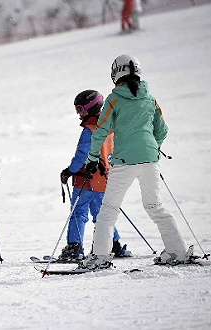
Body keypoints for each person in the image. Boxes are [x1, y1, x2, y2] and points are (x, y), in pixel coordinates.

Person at [79, 55, 194, 270]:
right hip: (150, 159)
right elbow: (163, 130)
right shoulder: (150, 98)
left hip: (124, 161)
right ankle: (177, 251)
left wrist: (92, 159)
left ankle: (100, 257)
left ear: (116, 73)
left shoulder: (114, 99)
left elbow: (101, 130)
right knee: (155, 206)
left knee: (109, 209)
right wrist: (150, 148)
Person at [59, 90, 131, 262]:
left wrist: (70, 171)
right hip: (103, 180)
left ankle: (74, 248)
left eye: (80, 109)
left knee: (79, 213)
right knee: (102, 214)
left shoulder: (90, 129)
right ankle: (114, 244)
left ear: (91, 108)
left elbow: (82, 155)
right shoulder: (109, 127)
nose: (79, 114)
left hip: (86, 180)